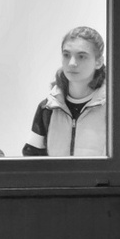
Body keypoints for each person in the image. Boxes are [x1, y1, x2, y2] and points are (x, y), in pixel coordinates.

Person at [22, 26, 107, 157]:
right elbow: (32, 159)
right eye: (66, 55)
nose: (72, 63)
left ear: (98, 62)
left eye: (81, 56)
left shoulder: (114, 108)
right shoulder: (47, 108)